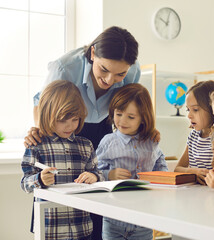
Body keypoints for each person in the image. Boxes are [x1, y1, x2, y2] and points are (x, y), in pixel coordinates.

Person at [24, 26, 159, 239]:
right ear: (93, 53)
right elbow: (42, 104)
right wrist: (43, 133)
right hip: (69, 127)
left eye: (119, 74)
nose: (109, 80)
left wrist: (145, 130)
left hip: (106, 127)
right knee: (61, 191)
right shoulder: (65, 67)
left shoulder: (133, 71)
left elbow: (130, 106)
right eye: (104, 70)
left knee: (98, 207)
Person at [21, 80, 103, 240]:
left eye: (75, 119)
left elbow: (98, 173)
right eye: (62, 120)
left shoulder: (86, 146)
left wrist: (94, 177)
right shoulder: (36, 145)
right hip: (51, 230)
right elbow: (25, 183)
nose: (70, 126)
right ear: (47, 115)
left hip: (82, 228)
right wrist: (40, 179)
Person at [96, 83, 167, 240]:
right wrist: (110, 174)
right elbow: (94, 172)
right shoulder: (108, 142)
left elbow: (161, 165)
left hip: (143, 219)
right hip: (114, 220)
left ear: (143, 118)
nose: (122, 121)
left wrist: (159, 178)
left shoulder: (152, 141)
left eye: (131, 117)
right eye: (119, 114)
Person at [174, 80, 214, 184]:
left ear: (211, 108)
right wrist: (193, 172)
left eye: (195, 110)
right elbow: (177, 169)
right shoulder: (193, 136)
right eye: (188, 110)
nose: (189, 115)